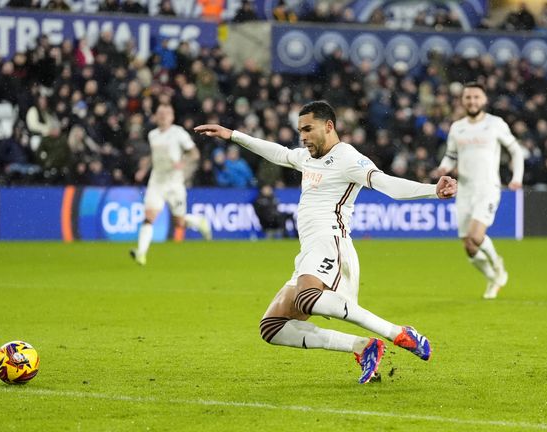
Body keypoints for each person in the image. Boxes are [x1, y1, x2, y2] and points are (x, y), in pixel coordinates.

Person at [195, 101, 457, 384]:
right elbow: (279, 153)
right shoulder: (308, 158)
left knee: (306, 299)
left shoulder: (347, 157)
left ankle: (398, 333)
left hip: (331, 241)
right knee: (272, 327)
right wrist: (232, 135)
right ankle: (362, 347)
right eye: (300, 131)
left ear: (329, 126)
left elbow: (387, 184)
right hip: (309, 250)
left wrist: (433, 191)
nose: (303, 136)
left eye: (308, 129)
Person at [433, 83, 524, 299]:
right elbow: (451, 155)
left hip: (488, 188)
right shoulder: (457, 127)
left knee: (476, 235)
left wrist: (517, 178)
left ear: (484, 100)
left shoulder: (495, 124)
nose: (472, 101)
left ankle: (498, 266)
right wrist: (444, 167)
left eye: (476, 97)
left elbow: (516, 150)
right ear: (462, 101)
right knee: (469, 246)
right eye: (468, 97)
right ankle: (492, 278)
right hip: (464, 190)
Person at [130, 104, 212, 266]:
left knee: (179, 223)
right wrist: (143, 170)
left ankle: (199, 222)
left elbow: (194, 154)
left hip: (174, 183)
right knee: (149, 217)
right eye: (160, 113)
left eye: (166, 113)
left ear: (172, 117)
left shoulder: (178, 133)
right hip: (157, 182)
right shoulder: (153, 135)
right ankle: (141, 253)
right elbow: (153, 156)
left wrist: (183, 162)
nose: (162, 116)